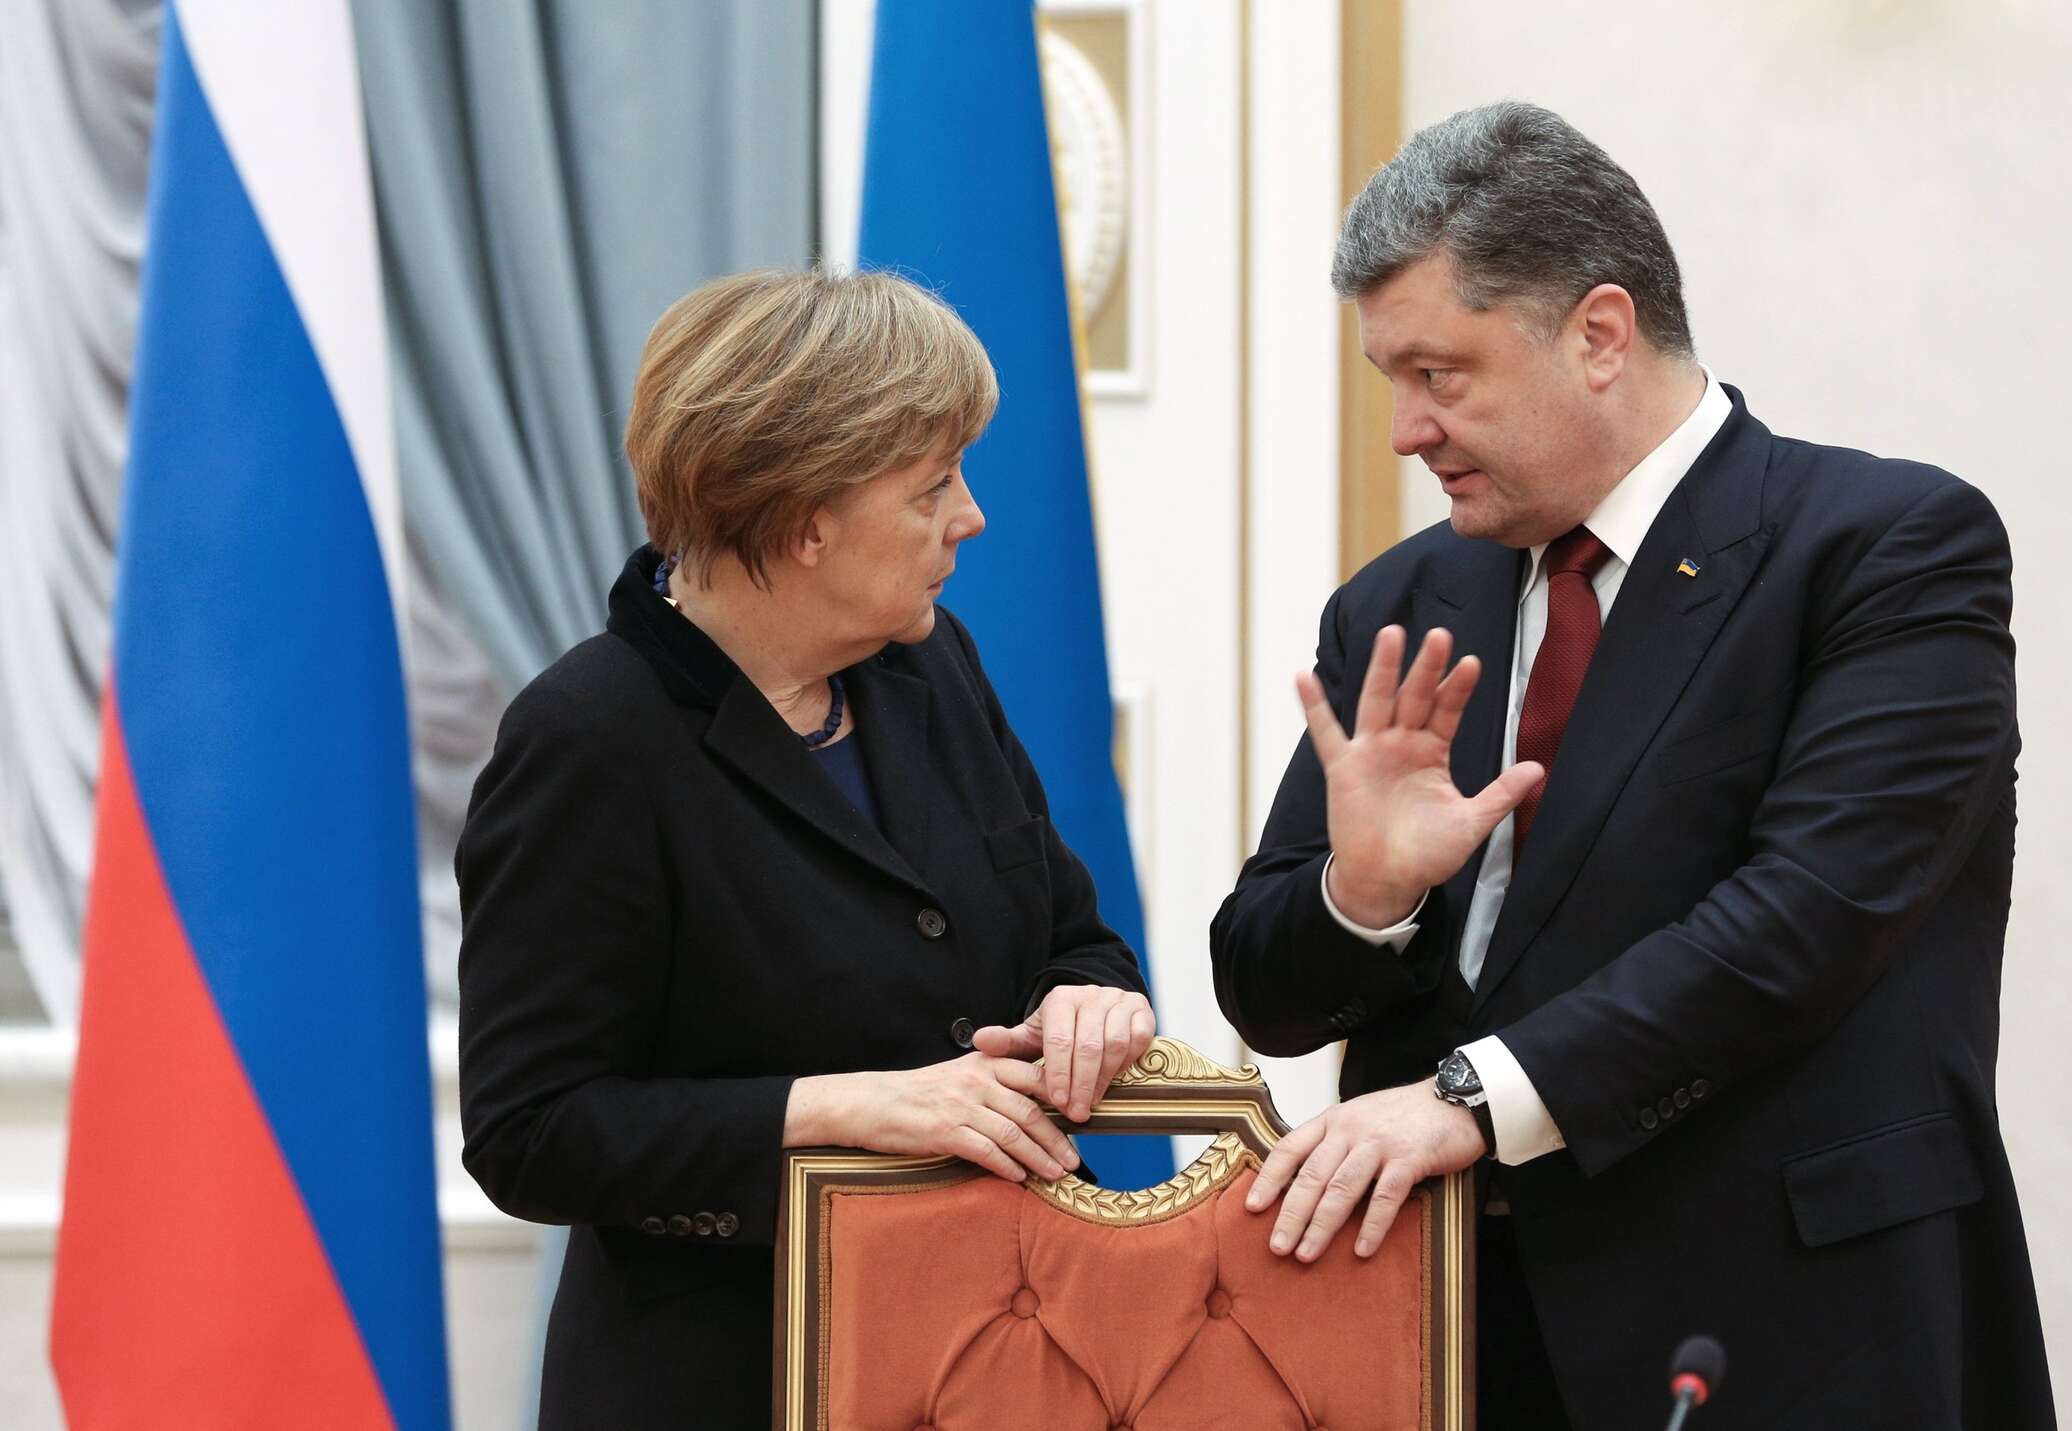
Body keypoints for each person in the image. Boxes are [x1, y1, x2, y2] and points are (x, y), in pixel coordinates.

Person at [1214, 102, 2053, 1428]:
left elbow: (1803, 921)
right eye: (1391, 379)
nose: (1405, 430)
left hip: (1781, 1332)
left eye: (1438, 373)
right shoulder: (1400, 601)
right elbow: (1265, 994)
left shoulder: (1884, 547)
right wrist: (1362, 898)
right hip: (1446, 1339)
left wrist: (1470, 1101)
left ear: (1599, 334)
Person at [456, 268, 1156, 1428]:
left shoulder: (931, 665)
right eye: (931, 486)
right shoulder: (587, 738)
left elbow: (1072, 939)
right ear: (804, 521)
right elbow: (531, 1133)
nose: (970, 517)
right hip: (731, 1381)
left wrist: (1090, 1001)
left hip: (998, 1358)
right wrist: (833, 1111)